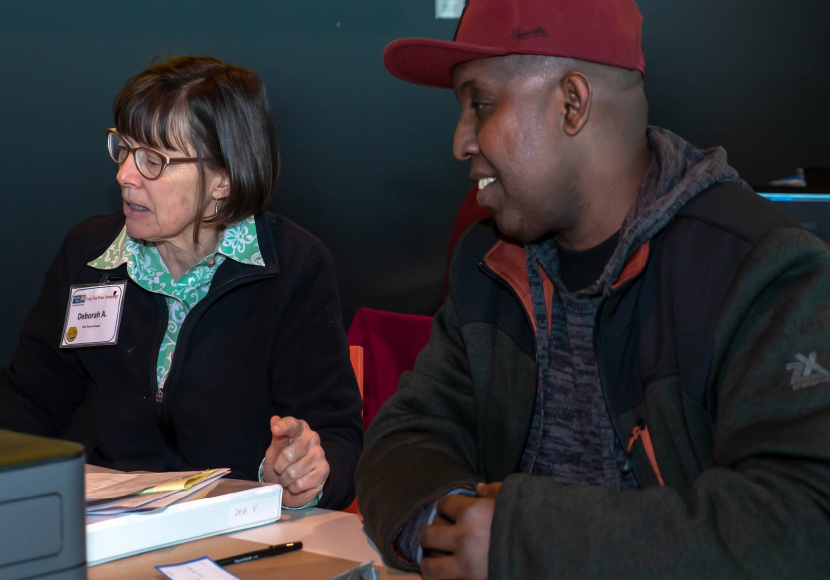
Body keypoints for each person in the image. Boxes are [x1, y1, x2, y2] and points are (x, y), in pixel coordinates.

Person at [356, 0, 830, 578]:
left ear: (572, 103)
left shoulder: (760, 270)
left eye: (480, 105)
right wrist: (447, 525)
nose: (461, 142)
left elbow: (805, 524)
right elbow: (407, 435)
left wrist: (525, 544)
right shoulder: (486, 264)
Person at [0, 56, 362, 510]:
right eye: (125, 149)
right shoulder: (90, 254)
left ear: (223, 179)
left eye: (154, 160)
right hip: (113, 520)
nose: (125, 175)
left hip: (238, 522)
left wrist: (304, 474)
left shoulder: (292, 267)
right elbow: (30, 400)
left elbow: (338, 439)